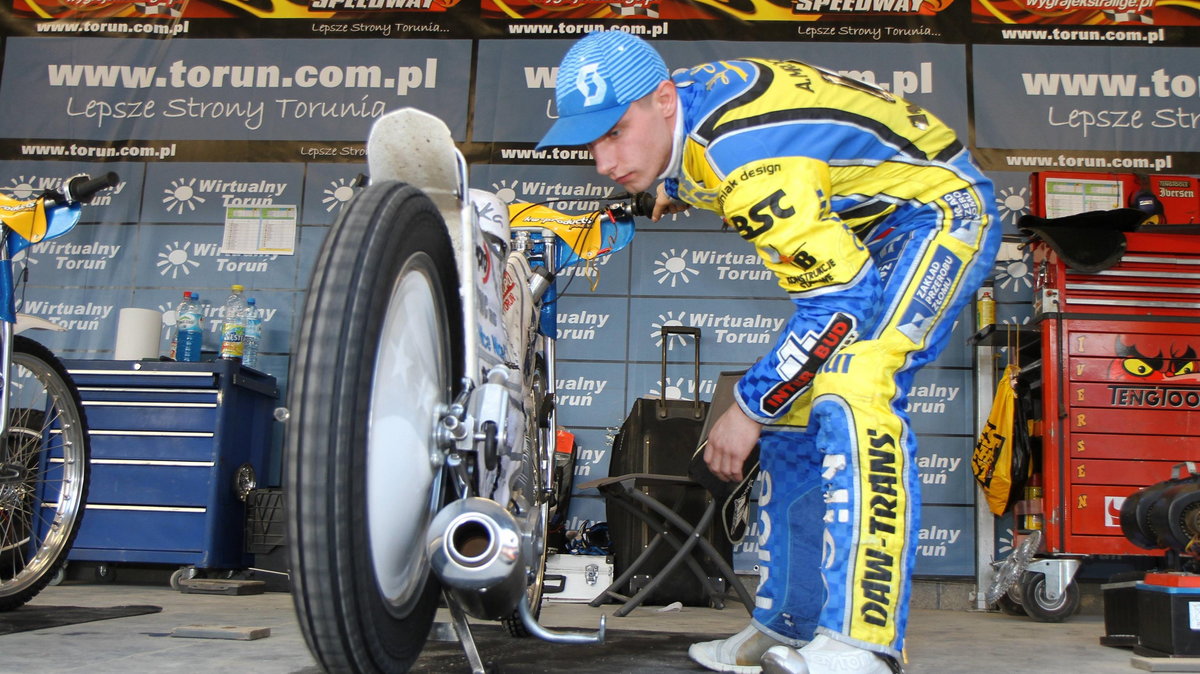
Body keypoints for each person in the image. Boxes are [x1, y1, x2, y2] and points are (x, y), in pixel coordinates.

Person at [538, 31, 1000, 674]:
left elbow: (838, 304)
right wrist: (673, 183)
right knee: (795, 416)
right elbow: (707, 137)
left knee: (853, 387)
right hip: (871, 226)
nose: (602, 162)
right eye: (592, 140)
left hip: (936, 213)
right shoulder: (685, 117)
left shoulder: (745, 161)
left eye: (615, 132)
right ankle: (789, 622)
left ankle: (864, 644)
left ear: (663, 100)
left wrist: (749, 407)